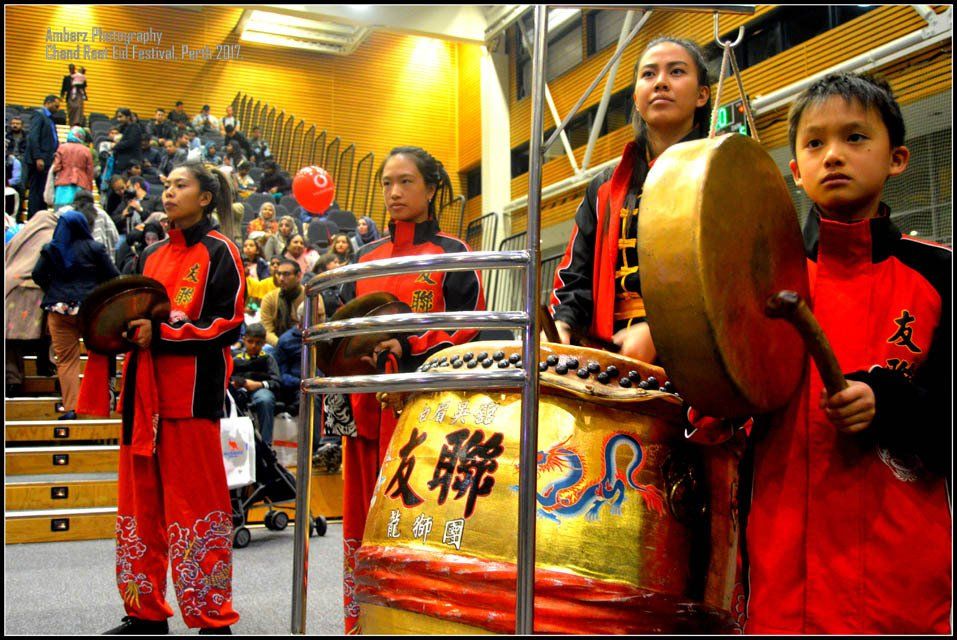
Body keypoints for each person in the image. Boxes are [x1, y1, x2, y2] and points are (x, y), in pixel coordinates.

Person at [731, 73, 951, 635]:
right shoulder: (758, 280)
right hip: (781, 573)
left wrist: (890, 402)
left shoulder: (939, 275)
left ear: (897, 158)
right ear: (795, 171)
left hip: (900, 577)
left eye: (855, 138)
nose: (833, 155)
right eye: (814, 143)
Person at [88, 162, 244, 634]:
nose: (170, 192)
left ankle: (213, 619)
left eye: (182, 185)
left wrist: (163, 333)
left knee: (196, 508)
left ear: (206, 198)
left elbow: (228, 323)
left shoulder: (222, 252)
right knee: (140, 509)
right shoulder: (150, 253)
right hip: (143, 396)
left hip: (191, 398)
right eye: (168, 185)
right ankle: (145, 612)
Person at [337, 145, 485, 632]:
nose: (394, 192)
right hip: (364, 411)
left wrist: (407, 343)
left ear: (431, 187)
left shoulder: (453, 253)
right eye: (387, 182)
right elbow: (337, 334)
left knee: (421, 519)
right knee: (363, 524)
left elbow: (466, 329)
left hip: (427, 417)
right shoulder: (362, 259)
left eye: (405, 182)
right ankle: (365, 624)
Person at [549, 37, 711, 363]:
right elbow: (574, 277)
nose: (661, 82)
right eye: (649, 75)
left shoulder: (722, 172)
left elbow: (738, 283)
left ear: (702, 95)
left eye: (676, 72)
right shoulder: (606, 186)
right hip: (614, 353)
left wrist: (661, 330)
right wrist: (561, 324)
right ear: (636, 97)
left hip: (701, 355)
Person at [32, 197, 120, 420]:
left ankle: (72, 406)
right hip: (90, 309)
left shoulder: (51, 249)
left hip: (58, 309)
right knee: (97, 354)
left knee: (66, 359)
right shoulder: (94, 248)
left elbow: (37, 275)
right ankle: (98, 404)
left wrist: (52, 290)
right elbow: (113, 276)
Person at [5, 200, 59, 395]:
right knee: (48, 329)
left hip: (11, 286)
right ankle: (46, 366)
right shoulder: (54, 235)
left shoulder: (19, 236)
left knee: (9, 339)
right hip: (39, 288)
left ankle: (13, 381)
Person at [230, 323, 280, 445]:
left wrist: (259, 384)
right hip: (239, 389)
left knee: (265, 399)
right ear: (244, 339)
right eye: (250, 341)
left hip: (260, 389)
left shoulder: (268, 359)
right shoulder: (235, 358)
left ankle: (266, 445)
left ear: (264, 343)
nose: (253, 346)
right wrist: (234, 383)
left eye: (258, 343)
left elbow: (277, 382)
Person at [259, 258, 311, 349]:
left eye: (286, 274)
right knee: (266, 350)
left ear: (298, 276)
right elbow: (267, 331)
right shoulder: (269, 298)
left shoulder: (311, 297)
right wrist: (283, 345)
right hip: (278, 345)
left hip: (304, 345)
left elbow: (315, 328)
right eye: (279, 274)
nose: (281, 279)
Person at [24, 95, 61, 218]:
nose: (58, 108)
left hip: (47, 162)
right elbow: (33, 137)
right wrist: (38, 157)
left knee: (42, 193)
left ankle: (40, 219)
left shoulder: (50, 119)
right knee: (36, 193)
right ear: (48, 103)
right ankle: (33, 220)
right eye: (56, 106)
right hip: (40, 161)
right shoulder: (39, 115)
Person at [51, 126, 94, 208]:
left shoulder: (62, 148)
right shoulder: (86, 150)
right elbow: (90, 172)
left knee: (60, 211)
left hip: (63, 183)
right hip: (81, 183)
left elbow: (56, 167)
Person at [112, 108, 143, 176]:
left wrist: (115, 146)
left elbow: (129, 142)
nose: (118, 119)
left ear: (128, 117)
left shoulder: (134, 127)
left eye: (120, 117)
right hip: (121, 161)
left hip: (130, 163)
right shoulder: (121, 127)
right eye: (117, 117)